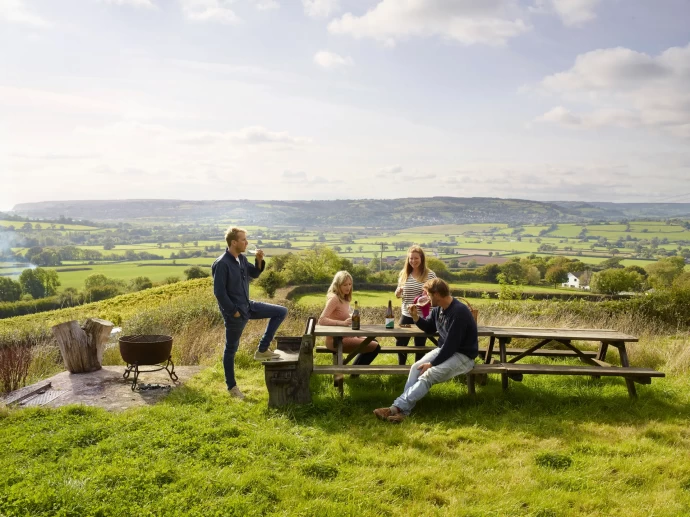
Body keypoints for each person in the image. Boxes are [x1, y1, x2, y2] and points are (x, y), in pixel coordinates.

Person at [374, 278, 478, 423]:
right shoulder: (438, 309)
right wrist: (416, 317)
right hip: (446, 350)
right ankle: (404, 412)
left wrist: (433, 363)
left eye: (428, 295)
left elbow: (452, 345)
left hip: (463, 356)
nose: (427, 298)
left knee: (428, 373)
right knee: (416, 367)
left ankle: (394, 409)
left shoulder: (459, 312)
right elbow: (429, 328)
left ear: (436, 294)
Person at [212, 227, 288, 399]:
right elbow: (219, 292)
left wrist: (259, 260)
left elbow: (254, 273)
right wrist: (234, 312)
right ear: (233, 242)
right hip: (235, 313)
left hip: (248, 306)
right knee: (231, 349)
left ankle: (262, 349)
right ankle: (232, 388)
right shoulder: (222, 263)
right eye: (243, 240)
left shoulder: (241, 259)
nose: (246, 242)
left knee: (281, 311)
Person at [318, 271, 380, 366]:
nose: (348, 287)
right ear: (338, 285)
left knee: (373, 341)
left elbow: (348, 315)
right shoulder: (334, 299)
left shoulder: (345, 298)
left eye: (350, 284)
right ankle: (354, 372)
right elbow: (322, 320)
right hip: (336, 341)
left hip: (347, 336)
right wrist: (342, 323)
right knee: (375, 347)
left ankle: (354, 370)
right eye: (345, 285)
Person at [394, 245, 436, 365]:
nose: (413, 261)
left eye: (416, 258)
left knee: (420, 344)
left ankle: (417, 369)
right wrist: (397, 293)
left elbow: (434, 293)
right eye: (411, 258)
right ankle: (401, 368)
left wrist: (426, 295)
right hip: (406, 313)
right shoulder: (404, 273)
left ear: (422, 258)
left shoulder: (430, 274)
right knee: (400, 342)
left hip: (422, 315)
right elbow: (398, 293)